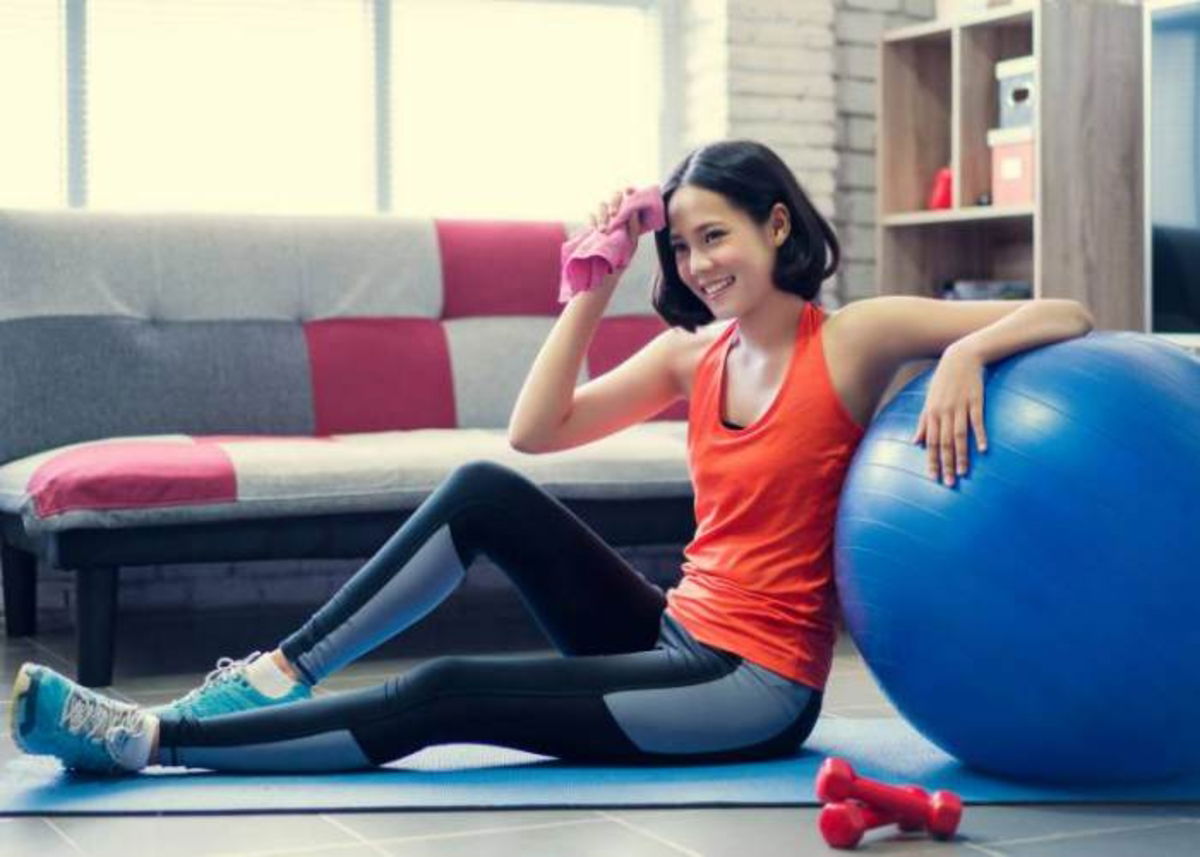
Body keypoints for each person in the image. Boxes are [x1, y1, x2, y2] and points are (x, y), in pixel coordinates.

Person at [8, 139, 1094, 775]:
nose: (698, 261)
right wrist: (589, 284)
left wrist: (966, 354)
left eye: (716, 234)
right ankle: (271, 676)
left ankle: (152, 738)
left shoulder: (846, 339)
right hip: (676, 627)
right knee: (487, 489)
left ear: (776, 227)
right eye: (682, 243)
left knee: (446, 687)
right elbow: (535, 430)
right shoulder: (691, 356)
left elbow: (1069, 307)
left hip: (749, 686)